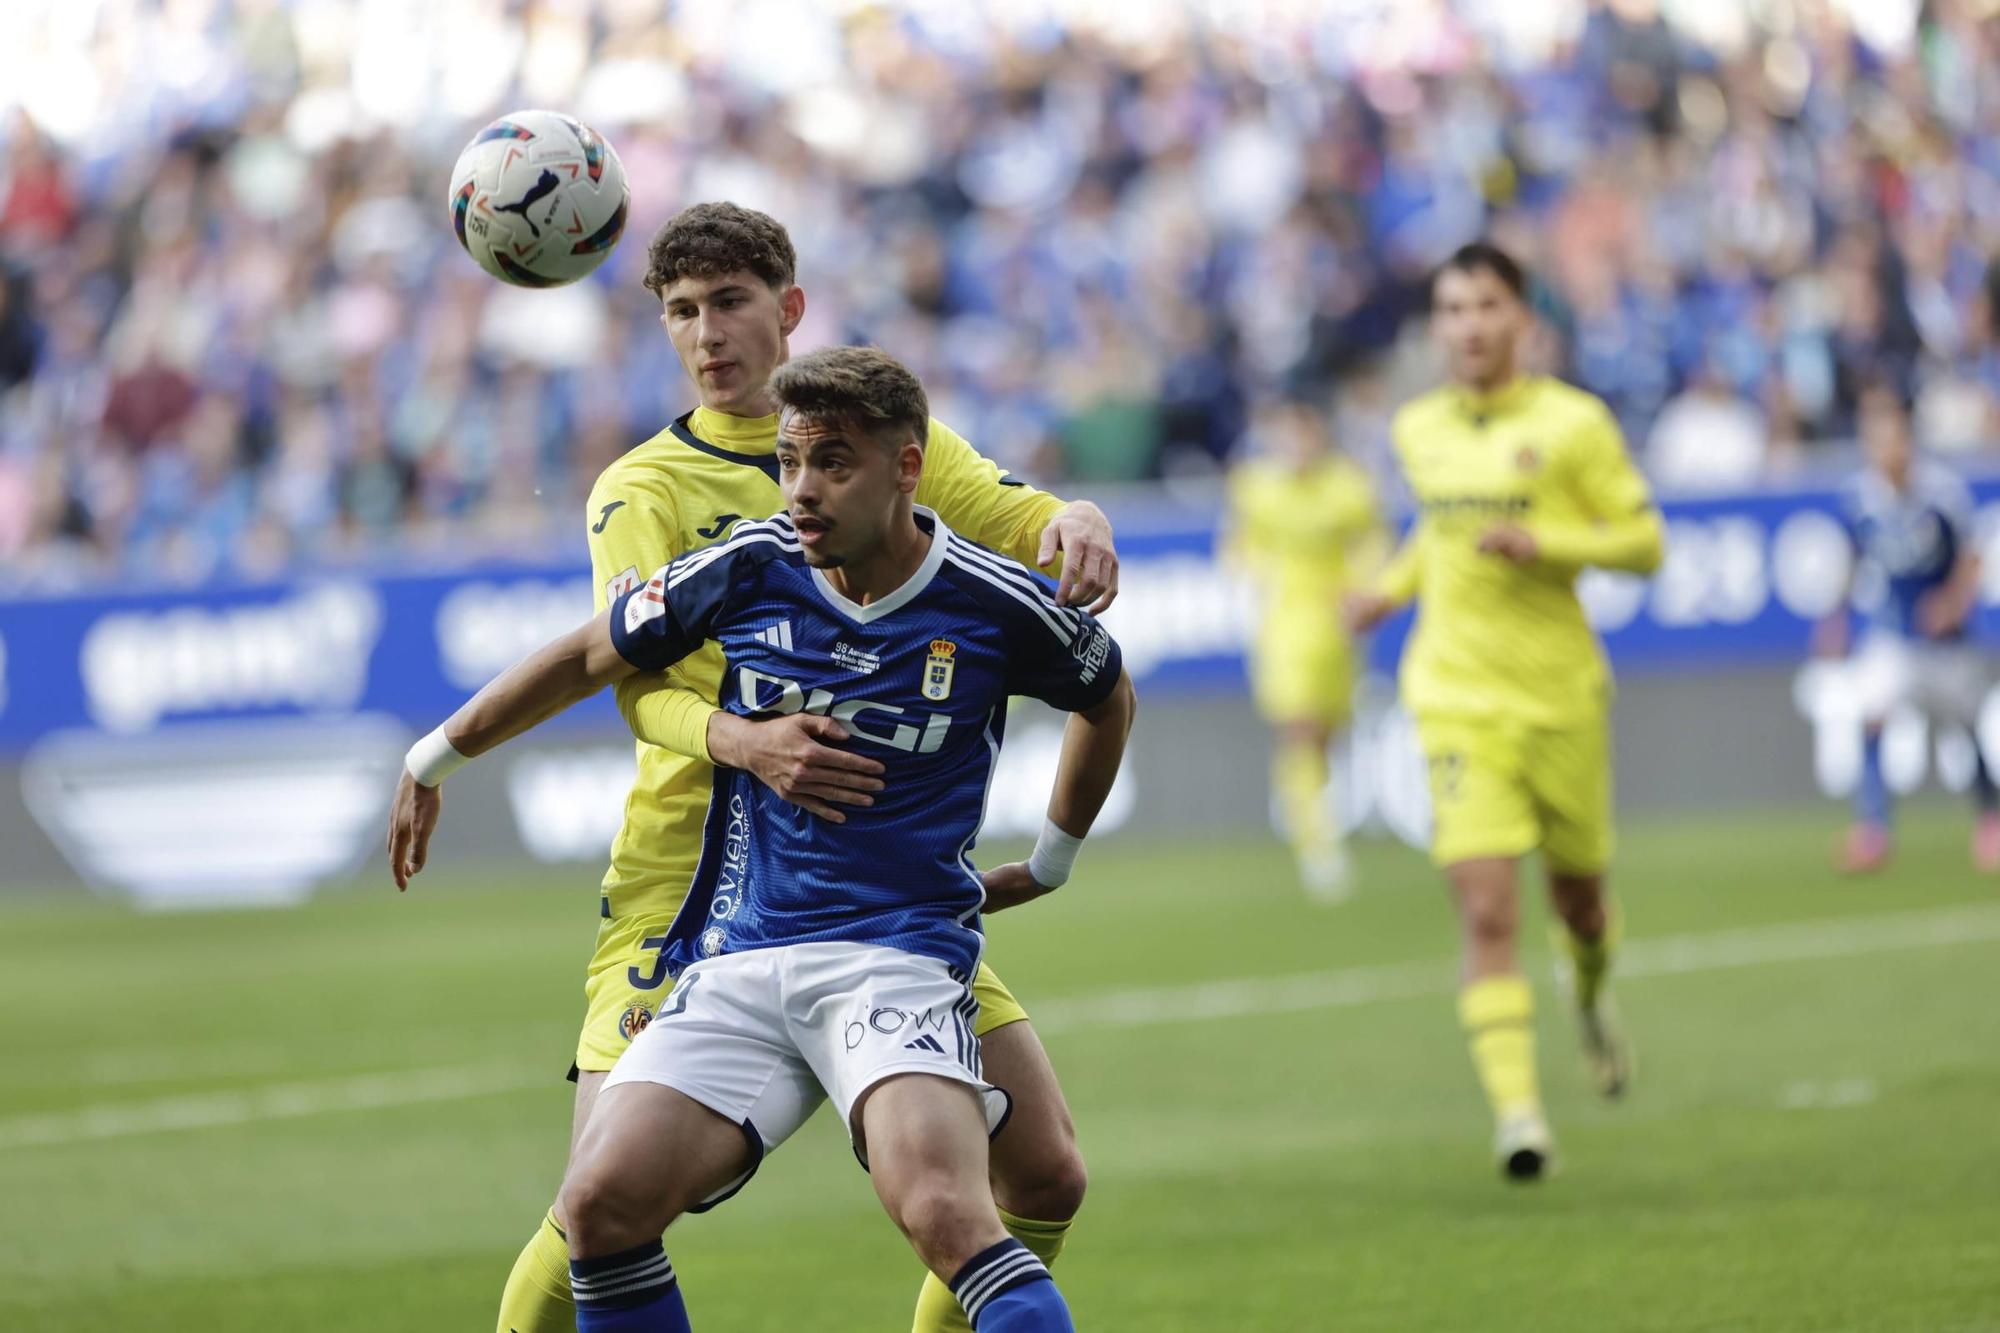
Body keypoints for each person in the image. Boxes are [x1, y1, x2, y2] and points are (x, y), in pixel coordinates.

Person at [388, 346, 1136, 1332]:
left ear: (905, 468)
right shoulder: (748, 567)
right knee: (598, 1205)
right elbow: (588, 651)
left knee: (946, 1210)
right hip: (739, 960)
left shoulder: (992, 603)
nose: (802, 489)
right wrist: (434, 754)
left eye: (832, 461)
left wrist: (1050, 861)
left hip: (895, 961)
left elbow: (1106, 692)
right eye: (789, 461)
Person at [1347, 242, 1665, 1180]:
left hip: (1561, 696)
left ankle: (1593, 997)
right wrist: (1387, 590)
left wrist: (1548, 541)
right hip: (1454, 697)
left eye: (1486, 306)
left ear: (1523, 319)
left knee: (1580, 903)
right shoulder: (1417, 428)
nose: (1468, 326)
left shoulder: (1576, 425)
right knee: (1486, 908)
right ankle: (1520, 1117)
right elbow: (1438, 537)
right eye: (1451, 309)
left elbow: (1645, 543)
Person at [1814, 379, 1998, 873]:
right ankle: (1873, 830)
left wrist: (1952, 602)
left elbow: (1972, 557)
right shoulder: (1859, 497)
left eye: (1890, 434)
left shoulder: (1940, 492)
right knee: (1871, 715)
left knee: (1965, 726)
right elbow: (1852, 559)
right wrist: (1836, 616)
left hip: (1942, 641)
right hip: (1892, 635)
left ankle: (1991, 821)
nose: (1883, 446)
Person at [1224, 395, 1386, 899]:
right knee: (1300, 726)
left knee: (1326, 734)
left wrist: (1364, 587)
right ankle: (1318, 846)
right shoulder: (1255, 486)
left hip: (1336, 624)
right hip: (1286, 624)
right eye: (1286, 432)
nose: (1295, 444)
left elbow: (1371, 542)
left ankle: (1311, 813)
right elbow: (1238, 544)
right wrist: (1253, 571)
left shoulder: (1349, 485)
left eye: (1304, 431)